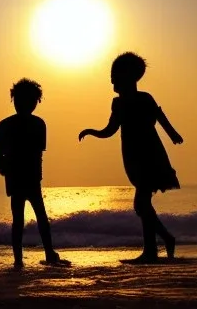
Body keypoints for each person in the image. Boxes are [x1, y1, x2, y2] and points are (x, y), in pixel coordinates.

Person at [78, 52, 183, 263]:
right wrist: (92, 132)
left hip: (150, 154)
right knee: (142, 204)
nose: (112, 82)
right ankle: (161, 242)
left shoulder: (145, 98)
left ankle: (155, 247)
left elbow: (159, 117)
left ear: (128, 77)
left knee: (141, 203)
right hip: (132, 156)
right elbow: (110, 129)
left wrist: (173, 134)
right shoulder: (117, 104)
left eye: (115, 77)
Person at [0, 78, 69, 267]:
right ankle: (32, 257)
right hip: (22, 177)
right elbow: (1, 153)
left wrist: (4, 169)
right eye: (22, 100)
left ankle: (26, 258)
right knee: (30, 217)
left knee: (25, 218)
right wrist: (5, 169)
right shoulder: (30, 124)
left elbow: (6, 155)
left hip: (25, 177)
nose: (26, 104)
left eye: (29, 101)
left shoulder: (30, 124)